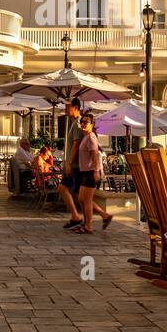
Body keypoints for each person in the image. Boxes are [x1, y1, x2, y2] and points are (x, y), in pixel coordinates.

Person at [71, 113, 110, 232]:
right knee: (82, 199)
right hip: (85, 171)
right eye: (82, 122)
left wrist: (96, 171)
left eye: (86, 122)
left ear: (92, 125)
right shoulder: (86, 137)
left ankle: (88, 226)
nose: (83, 124)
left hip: (91, 172)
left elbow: (95, 156)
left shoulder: (91, 137)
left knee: (86, 200)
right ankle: (88, 222)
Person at [59, 98, 85, 228]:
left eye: (67, 107)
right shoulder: (74, 123)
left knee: (64, 189)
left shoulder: (78, 123)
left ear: (75, 107)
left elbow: (76, 144)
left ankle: (76, 216)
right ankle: (76, 216)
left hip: (74, 166)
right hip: (73, 165)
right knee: (81, 195)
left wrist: (69, 163)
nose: (65, 110)